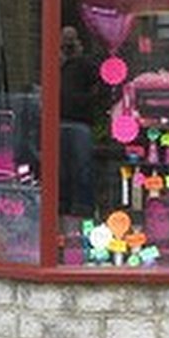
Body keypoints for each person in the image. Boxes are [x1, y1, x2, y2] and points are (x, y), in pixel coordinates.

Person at [59, 26, 97, 216]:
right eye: (64, 40)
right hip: (57, 121)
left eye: (70, 40)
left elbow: (98, 89)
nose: (67, 44)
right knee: (61, 168)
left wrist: (82, 102)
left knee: (82, 167)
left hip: (80, 122)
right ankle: (62, 207)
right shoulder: (56, 62)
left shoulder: (84, 64)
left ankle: (84, 207)